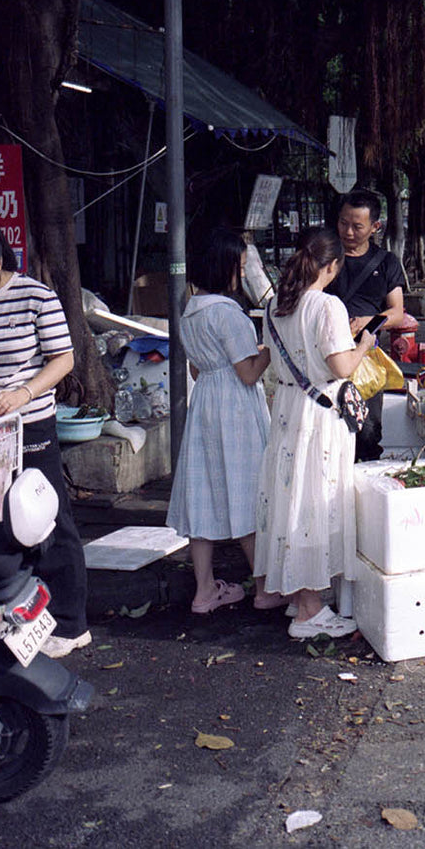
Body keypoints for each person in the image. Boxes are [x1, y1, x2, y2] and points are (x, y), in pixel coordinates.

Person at [255, 228, 376, 640]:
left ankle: (297, 593)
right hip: (321, 415)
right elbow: (341, 367)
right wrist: (365, 345)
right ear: (331, 265)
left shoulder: (275, 305)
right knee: (316, 503)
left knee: (292, 501)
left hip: (288, 410)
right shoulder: (327, 306)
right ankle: (309, 609)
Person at [0, 220, 89, 657]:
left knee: (47, 519)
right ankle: (15, 617)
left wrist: (23, 392)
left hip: (31, 425)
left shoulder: (35, 297)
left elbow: (63, 359)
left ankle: (70, 624)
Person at [166, 228, 277, 615]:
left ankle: (203, 591)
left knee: (204, 495)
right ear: (224, 267)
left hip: (206, 404)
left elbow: (197, 370)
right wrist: (268, 350)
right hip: (236, 408)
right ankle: (264, 589)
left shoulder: (190, 312)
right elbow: (248, 373)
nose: (243, 273)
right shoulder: (227, 314)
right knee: (247, 493)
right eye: (241, 266)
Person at [326, 189, 405, 458]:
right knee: (327, 435)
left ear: (375, 227)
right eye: (343, 223)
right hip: (327, 358)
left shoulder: (386, 263)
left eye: (357, 226)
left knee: (367, 433)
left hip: (365, 363)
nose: (348, 232)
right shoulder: (324, 259)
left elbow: (396, 313)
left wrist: (368, 322)